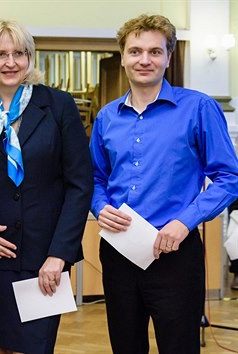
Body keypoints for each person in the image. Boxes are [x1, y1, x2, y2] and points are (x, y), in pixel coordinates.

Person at [90, 14, 238, 354]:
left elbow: (229, 177)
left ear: (169, 57)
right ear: (123, 57)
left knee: (180, 347)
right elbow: (96, 178)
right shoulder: (107, 117)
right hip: (118, 252)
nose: (145, 60)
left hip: (176, 254)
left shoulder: (199, 108)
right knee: (125, 346)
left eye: (155, 52)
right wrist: (100, 207)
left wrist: (184, 222)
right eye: (136, 51)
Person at [0, 20, 93, 354]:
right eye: (0, 54)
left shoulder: (58, 106)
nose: (10, 62)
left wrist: (59, 255)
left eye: (19, 53)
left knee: (34, 347)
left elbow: (80, 184)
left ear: (30, 58)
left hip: (43, 260)